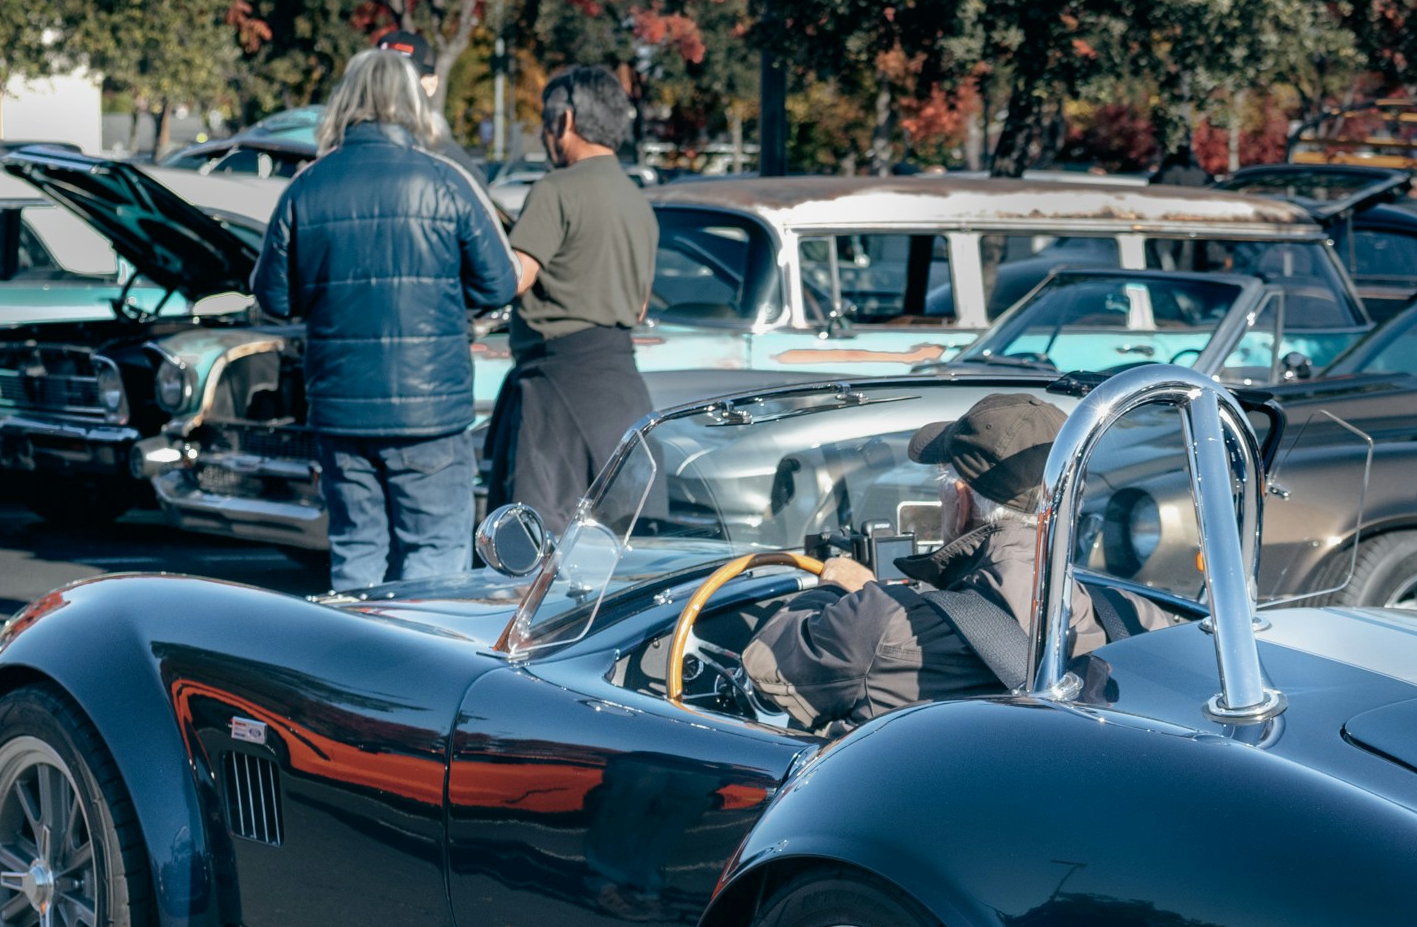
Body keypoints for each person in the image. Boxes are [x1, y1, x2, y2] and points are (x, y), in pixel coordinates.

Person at [253, 47, 520, 591]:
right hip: (431, 411)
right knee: (435, 558)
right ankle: (418, 672)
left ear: (345, 103)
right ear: (412, 103)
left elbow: (272, 300)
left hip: (341, 411)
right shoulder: (446, 180)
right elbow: (499, 283)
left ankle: (354, 669)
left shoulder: (307, 186)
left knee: (356, 553)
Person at [742, 393, 1167, 731]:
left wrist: (833, 589)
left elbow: (765, 663)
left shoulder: (879, 621)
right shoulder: (1139, 620)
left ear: (962, 503)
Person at [485, 65, 659, 532]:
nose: (543, 134)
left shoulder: (556, 189)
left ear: (565, 121)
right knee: (621, 560)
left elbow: (514, 276)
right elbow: (640, 307)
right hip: (624, 392)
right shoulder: (638, 199)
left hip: (555, 390)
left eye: (545, 120)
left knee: (535, 558)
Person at [371, 28, 486, 178]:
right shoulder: (453, 166)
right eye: (380, 77)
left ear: (431, 84)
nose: (388, 88)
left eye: (404, 80)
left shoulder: (451, 165)